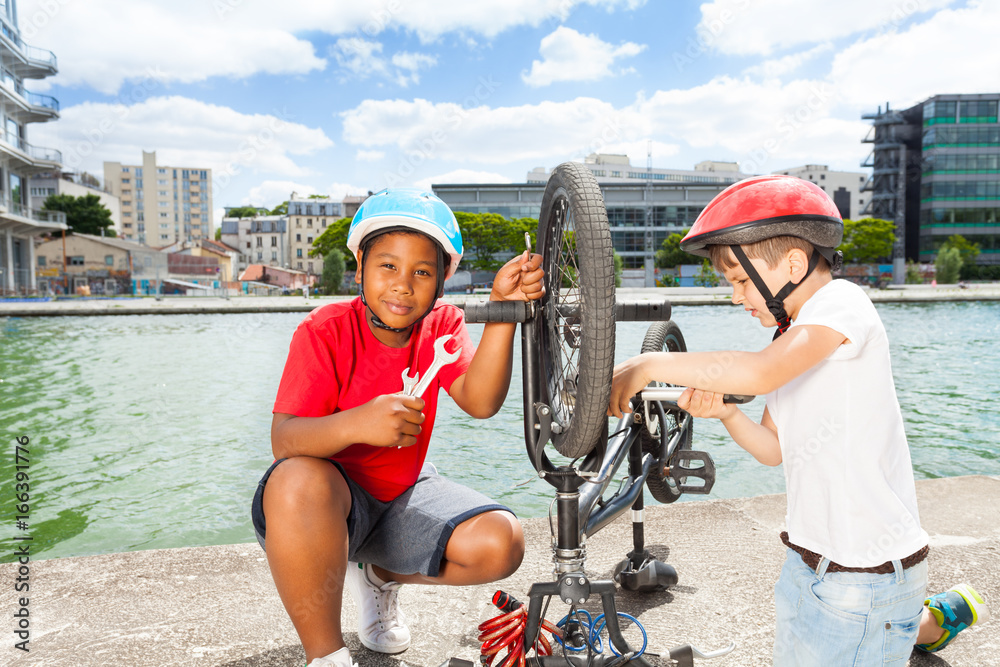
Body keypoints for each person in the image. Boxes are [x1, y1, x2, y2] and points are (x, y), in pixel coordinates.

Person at [607, 175, 989, 666]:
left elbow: (761, 372)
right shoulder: (790, 341)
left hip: (862, 573)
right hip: (811, 564)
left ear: (793, 264)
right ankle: (927, 620)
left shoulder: (842, 303)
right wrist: (726, 412)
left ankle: (923, 619)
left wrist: (650, 364)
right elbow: (772, 447)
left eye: (741, 280)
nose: (735, 297)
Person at [251, 189, 545, 667]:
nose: (403, 286)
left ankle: (380, 575)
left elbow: (480, 401)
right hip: (320, 510)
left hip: (401, 493)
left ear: (442, 281)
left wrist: (501, 311)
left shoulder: (442, 326)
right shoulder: (323, 329)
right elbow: (285, 440)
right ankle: (326, 656)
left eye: (422, 272)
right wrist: (359, 423)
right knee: (300, 477)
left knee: (501, 542)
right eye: (388, 266)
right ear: (361, 267)